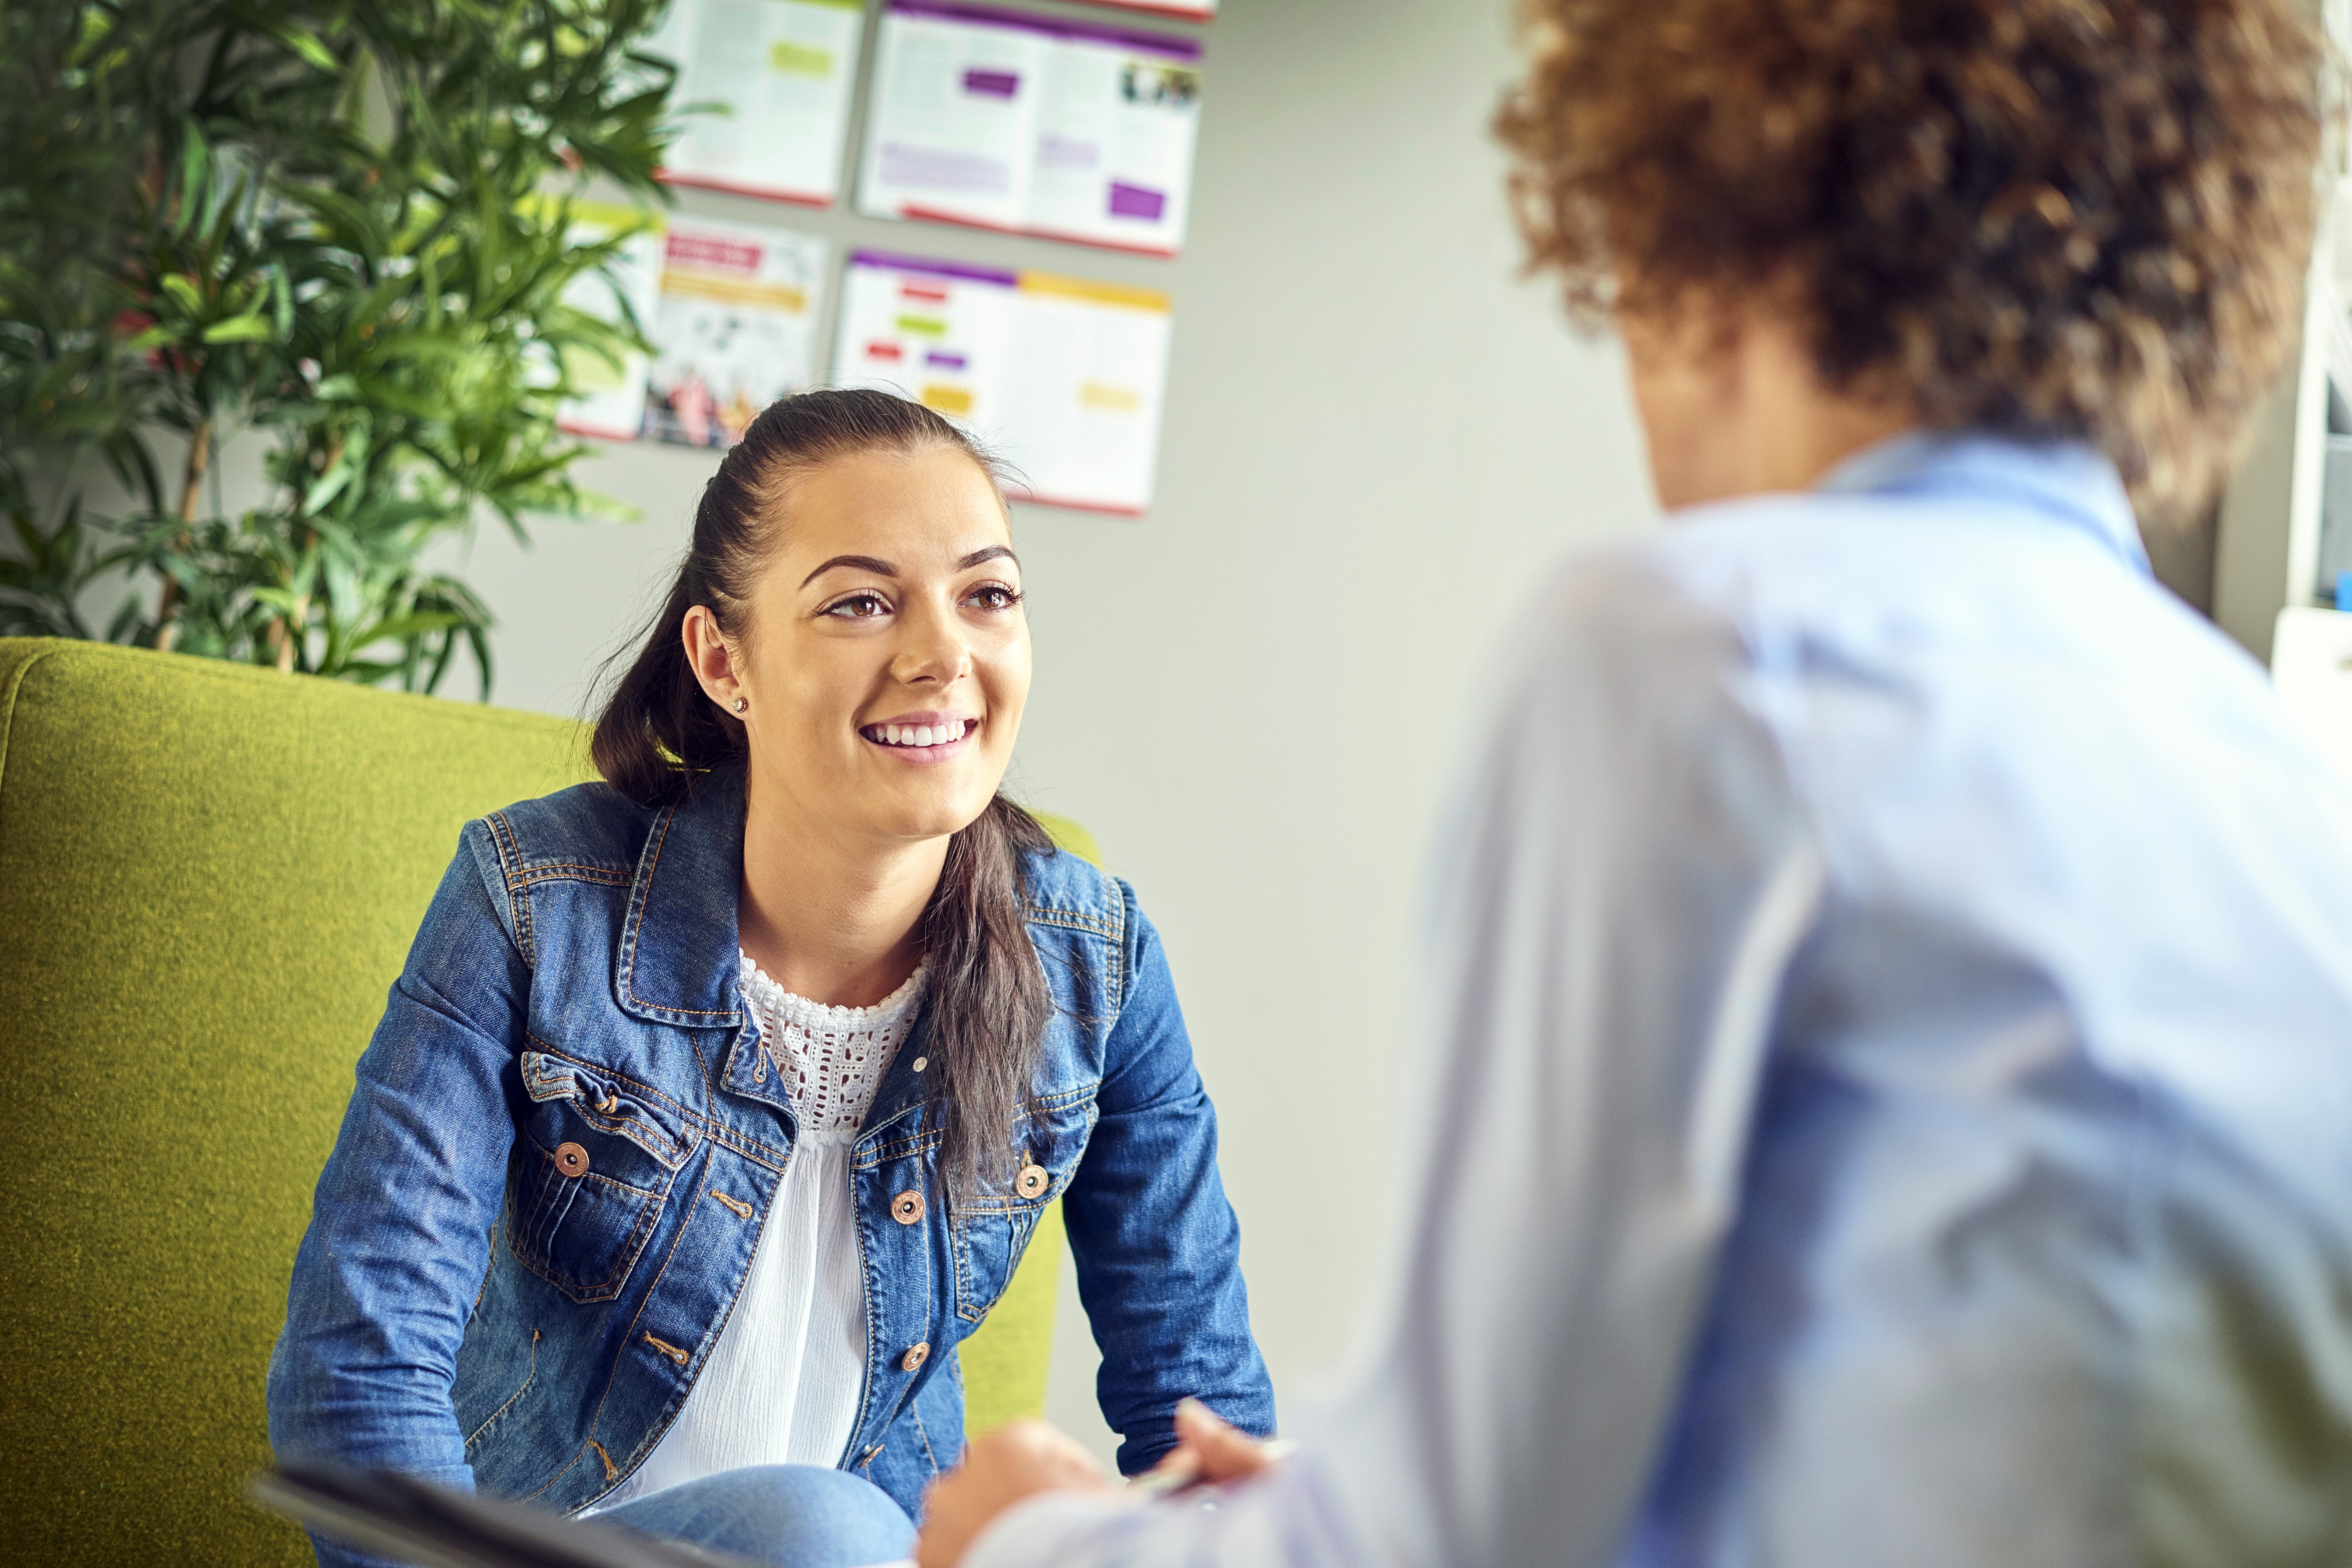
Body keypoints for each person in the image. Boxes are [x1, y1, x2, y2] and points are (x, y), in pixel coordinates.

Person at [917, 1, 2352, 1565]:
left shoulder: (1710, 647)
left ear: (1698, 223)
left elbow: (1450, 1542)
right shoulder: (2276, 779)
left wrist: (1031, 1537)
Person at [267, 389, 1275, 1568]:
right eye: (860, 601)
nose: (942, 654)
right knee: (821, 1528)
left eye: (986, 595)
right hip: (550, 1549)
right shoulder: (537, 897)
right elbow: (356, 1374)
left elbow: (1199, 1414)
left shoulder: (1095, 964)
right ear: (723, 661)